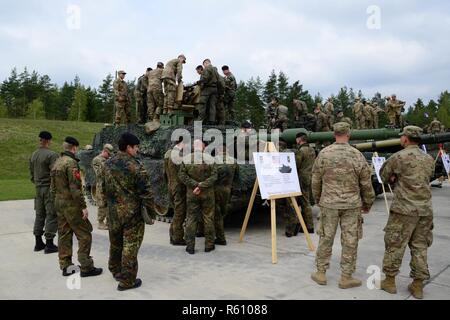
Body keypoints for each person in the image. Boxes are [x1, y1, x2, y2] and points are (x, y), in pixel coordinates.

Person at [311, 122, 375, 289]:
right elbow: (366, 183)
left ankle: (321, 273)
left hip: (329, 204)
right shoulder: (357, 155)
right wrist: (368, 203)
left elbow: (315, 180)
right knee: (350, 240)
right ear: (349, 134)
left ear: (334, 134)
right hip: (351, 205)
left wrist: (318, 199)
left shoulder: (324, 154)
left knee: (326, 237)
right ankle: (346, 277)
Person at [379, 126, 435, 299]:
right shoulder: (428, 158)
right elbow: (428, 177)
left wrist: (395, 178)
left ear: (405, 139)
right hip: (425, 210)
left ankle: (389, 282)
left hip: (403, 210)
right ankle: (418, 285)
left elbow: (383, 176)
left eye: (402, 136)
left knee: (395, 244)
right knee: (420, 246)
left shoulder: (398, 157)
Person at [103, 133, 154, 291]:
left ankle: (115, 269)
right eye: (136, 147)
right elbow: (146, 192)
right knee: (130, 246)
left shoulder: (107, 163)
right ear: (128, 147)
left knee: (115, 241)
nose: (138, 150)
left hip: (113, 211)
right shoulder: (136, 166)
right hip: (131, 213)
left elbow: (104, 187)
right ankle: (127, 280)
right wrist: (150, 213)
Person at [50, 137, 103, 278]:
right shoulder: (71, 164)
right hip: (71, 205)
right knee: (85, 234)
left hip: (59, 203)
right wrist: (83, 206)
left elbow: (52, 188)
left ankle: (66, 266)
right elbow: (75, 189)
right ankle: (86, 266)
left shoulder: (57, 162)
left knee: (64, 234)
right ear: (74, 148)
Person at [179, 139, 218, 254]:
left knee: (191, 218)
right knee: (208, 218)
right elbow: (214, 176)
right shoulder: (210, 159)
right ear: (203, 147)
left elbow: (182, 175)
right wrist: (201, 185)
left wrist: (195, 185)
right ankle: (209, 245)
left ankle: (190, 246)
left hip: (192, 193)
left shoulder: (186, 159)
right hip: (207, 194)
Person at [29, 131, 59, 253]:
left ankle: (38, 242)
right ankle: (49, 243)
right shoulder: (52, 155)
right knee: (51, 214)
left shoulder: (34, 154)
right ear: (48, 140)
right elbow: (55, 173)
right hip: (48, 188)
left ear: (40, 140)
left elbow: (31, 173)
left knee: (40, 215)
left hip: (38, 188)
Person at [214, 144, 239, 245]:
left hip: (216, 189)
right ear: (227, 151)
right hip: (228, 189)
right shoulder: (234, 161)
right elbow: (237, 178)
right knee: (223, 211)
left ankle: (220, 237)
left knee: (216, 213)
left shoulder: (213, 160)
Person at [164, 137, 187, 246]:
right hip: (179, 187)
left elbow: (165, 173)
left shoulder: (169, 154)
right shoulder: (179, 155)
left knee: (176, 212)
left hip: (171, 185)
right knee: (180, 213)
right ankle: (177, 238)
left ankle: (172, 236)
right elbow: (182, 174)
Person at [293, 132, 315, 234]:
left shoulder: (301, 151)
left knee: (303, 203)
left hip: (301, 178)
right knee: (306, 202)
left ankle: (308, 226)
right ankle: (307, 225)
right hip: (309, 177)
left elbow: (296, 164)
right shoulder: (312, 150)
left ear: (299, 139)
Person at [92, 144, 114, 230]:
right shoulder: (97, 160)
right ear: (104, 151)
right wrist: (108, 164)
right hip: (101, 186)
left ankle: (108, 222)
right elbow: (99, 174)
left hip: (109, 185)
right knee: (102, 204)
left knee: (110, 204)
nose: (109, 156)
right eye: (108, 154)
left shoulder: (108, 159)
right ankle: (100, 222)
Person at [197, 59, 218, 123]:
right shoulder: (215, 70)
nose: (204, 66)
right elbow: (219, 80)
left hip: (207, 89)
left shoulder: (207, 69)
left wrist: (200, 83)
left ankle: (199, 121)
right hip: (215, 89)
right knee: (212, 105)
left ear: (206, 63)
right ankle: (212, 121)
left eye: (204, 64)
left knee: (202, 104)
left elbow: (205, 79)